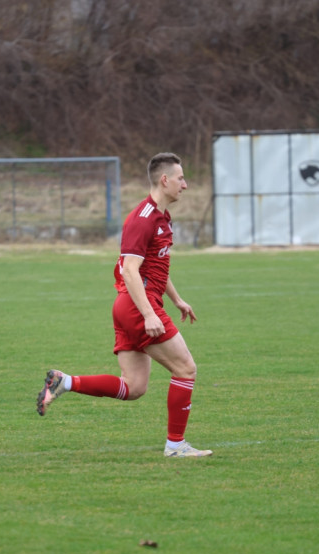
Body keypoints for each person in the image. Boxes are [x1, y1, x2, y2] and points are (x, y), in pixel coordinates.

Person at [36, 152, 212, 458]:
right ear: (164, 179)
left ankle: (65, 382)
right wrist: (148, 314)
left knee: (134, 387)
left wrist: (177, 300)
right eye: (181, 178)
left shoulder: (160, 217)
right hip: (136, 306)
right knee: (185, 369)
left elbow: (153, 267)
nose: (185, 185)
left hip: (133, 304)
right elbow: (130, 270)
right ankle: (175, 446)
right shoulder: (142, 218)